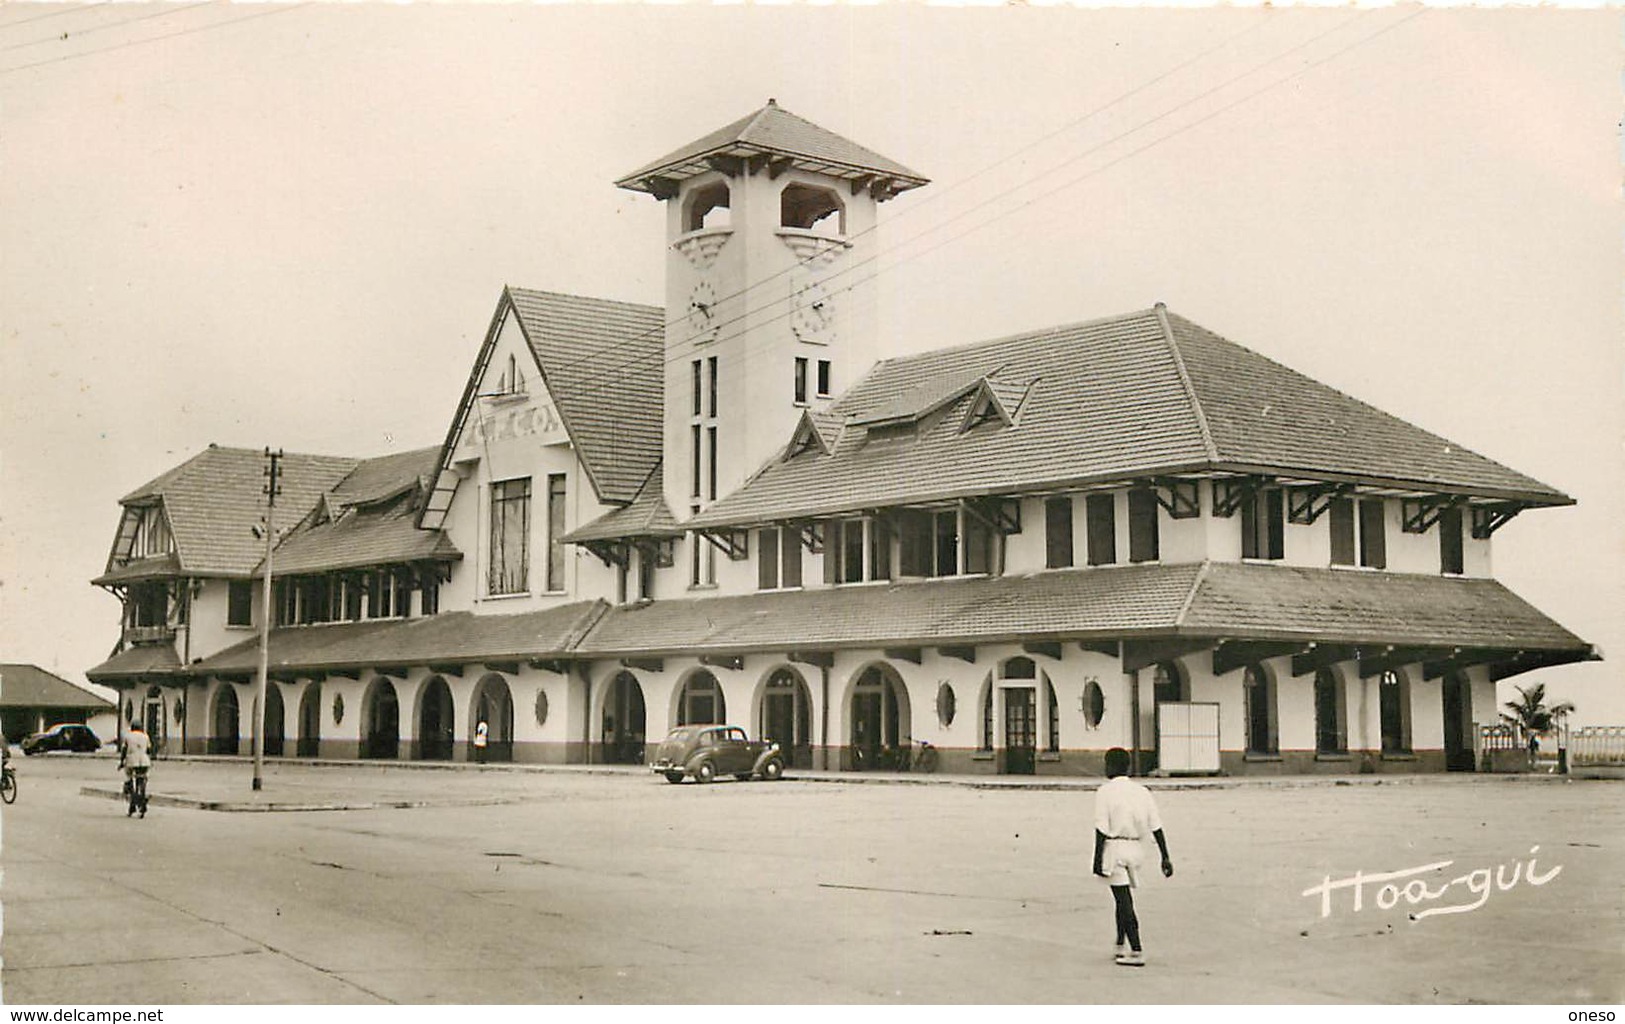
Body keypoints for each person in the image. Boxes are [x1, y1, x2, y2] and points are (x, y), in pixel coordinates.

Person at [1092, 747, 1172, 967]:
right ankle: (1119, 943)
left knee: (1123, 900)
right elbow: (1156, 826)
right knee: (1122, 896)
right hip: (1136, 850)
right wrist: (1165, 857)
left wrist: (1097, 859)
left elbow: (1101, 829)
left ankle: (1136, 949)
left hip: (1115, 848)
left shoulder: (1104, 792)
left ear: (1111, 766)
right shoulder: (1142, 791)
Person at [120, 720, 152, 818]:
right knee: (142, 781)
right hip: (144, 761)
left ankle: (133, 802)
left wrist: (121, 761)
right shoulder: (145, 736)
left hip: (131, 761)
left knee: (129, 780)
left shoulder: (128, 736)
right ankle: (142, 798)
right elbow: (149, 749)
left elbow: (124, 750)